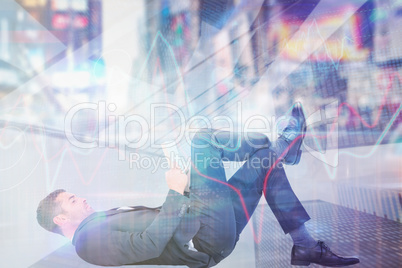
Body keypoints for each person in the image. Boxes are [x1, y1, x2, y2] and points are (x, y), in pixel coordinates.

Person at [36, 103, 360, 267]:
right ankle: (284, 148)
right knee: (202, 139)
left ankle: (304, 246)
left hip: (208, 226)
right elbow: (148, 245)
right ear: (60, 219)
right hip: (205, 237)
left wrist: (185, 189)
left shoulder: (97, 224)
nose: (81, 199)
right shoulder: (86, 243)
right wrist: (176, 192)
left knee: (263, 161)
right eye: (72, 200)